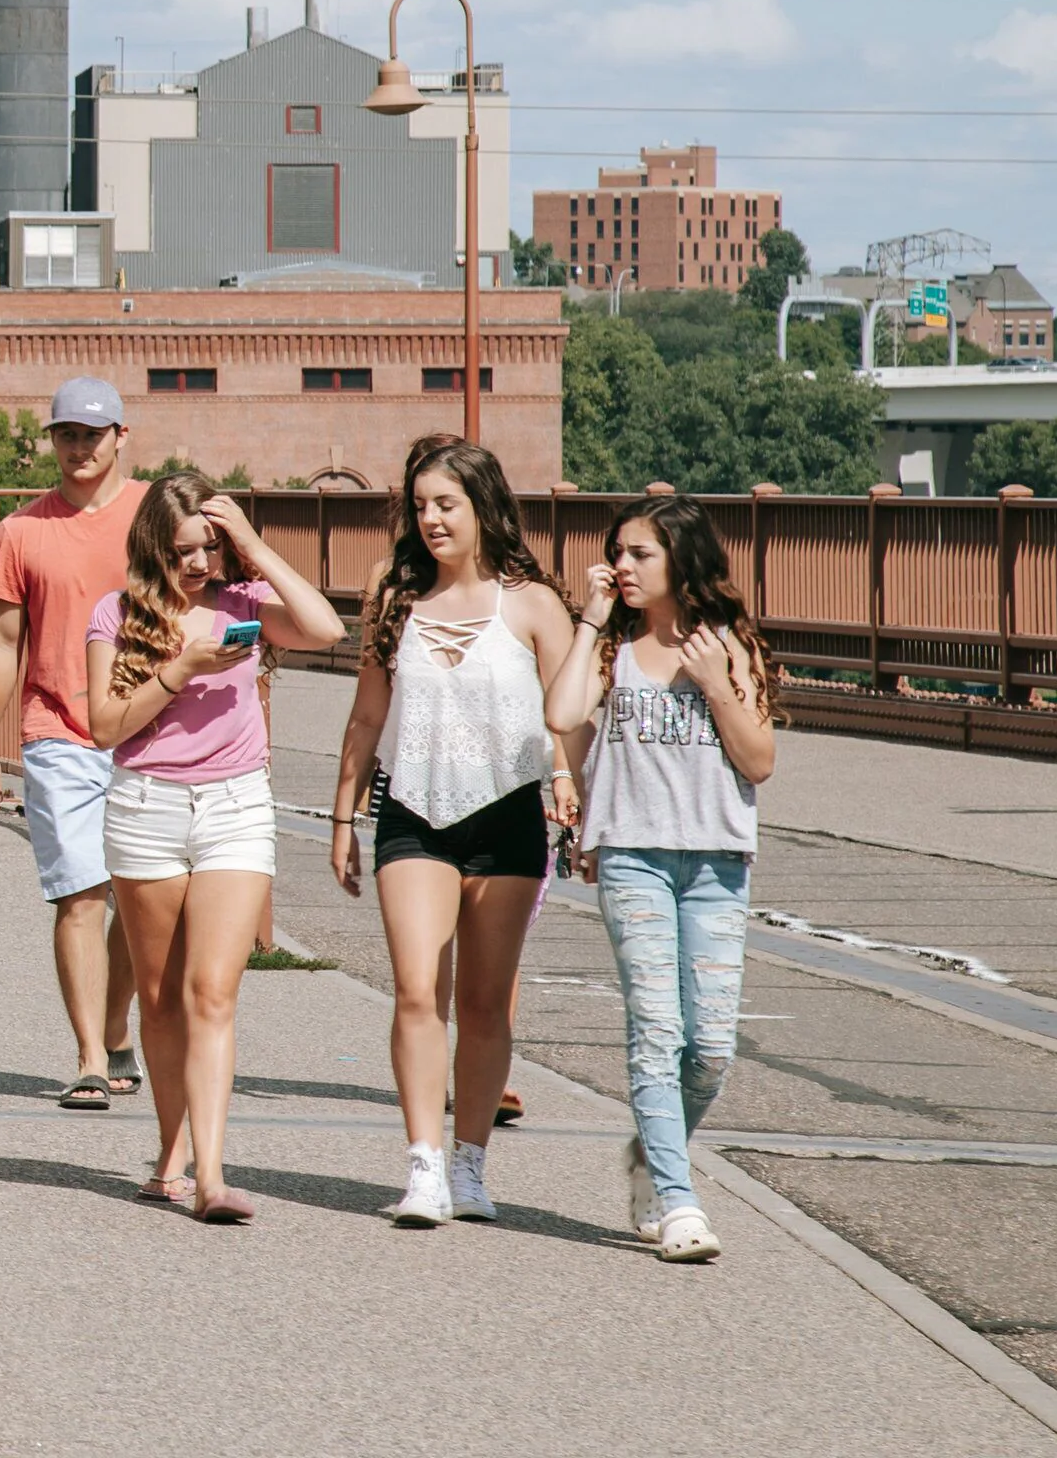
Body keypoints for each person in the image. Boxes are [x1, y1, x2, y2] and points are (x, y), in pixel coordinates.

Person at [329, 435, 579, 1229]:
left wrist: (569, 781)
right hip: (413, 812)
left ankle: (470, 1164)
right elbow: (368, 714)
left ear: (483, 508)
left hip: (507, 818)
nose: (432, 520)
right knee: (415, 990)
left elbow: (571, 713)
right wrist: (342, 814)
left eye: (447, 504)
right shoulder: (395, 597)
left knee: (484, 1004)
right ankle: (424, 1166)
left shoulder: (532, 603)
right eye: (421, 506)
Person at [82, 474, 345, 1221]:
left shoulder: (246, 604)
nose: (196, 564)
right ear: (152, 549)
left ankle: (210, 1175)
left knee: (212, 992)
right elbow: (104, 726)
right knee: (162, 999)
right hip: (147, 808)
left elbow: (327, 629)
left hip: (234, 808)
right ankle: (170, 1154)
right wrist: (180, 670)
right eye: (180, 551)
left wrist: (256, 547)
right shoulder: (116, 614)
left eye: (208, 548)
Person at [545, 496, 778, 1264]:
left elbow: (759, 761)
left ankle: (651, 1153)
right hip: (633, 858)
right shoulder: (613, 648)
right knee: (656, 1031)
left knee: (709, 1049)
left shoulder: (728, 646)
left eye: (640, 553)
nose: (623, 565)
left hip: (716, 864)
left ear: (681, 558)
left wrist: (715, 683)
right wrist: (590, 619)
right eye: (617, 552)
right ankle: (679, 1203)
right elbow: (563, 713)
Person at [0, 376, 145, 1111]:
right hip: (58, 732)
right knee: (80, 892)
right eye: (67, 435)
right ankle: (87, 1059)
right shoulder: (22, 531)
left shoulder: (154, 515)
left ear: (120, 438)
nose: (79, 448)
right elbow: (0, 639)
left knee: (138, 897)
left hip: (146, 729)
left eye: (93, 435)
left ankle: (114, 1025)